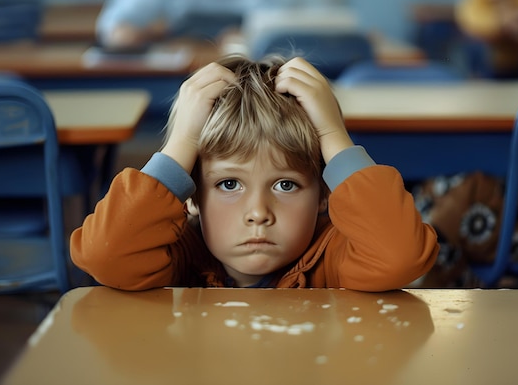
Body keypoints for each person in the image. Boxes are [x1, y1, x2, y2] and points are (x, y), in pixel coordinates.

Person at [70, 55, 439, 291]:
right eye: (229, 184)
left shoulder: (333, 257)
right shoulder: (178, 254)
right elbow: (106, 256)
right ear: (193, 194)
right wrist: (181, 143)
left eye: (285, 184)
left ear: (325, 192)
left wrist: (332, 135)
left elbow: (401, 256)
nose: (258, 213)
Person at [96, 0, 336, 48]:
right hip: (185, 79)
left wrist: (257, 36)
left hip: (258, 84)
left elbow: (331, 16)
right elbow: (111, 26)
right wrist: (156, 35)